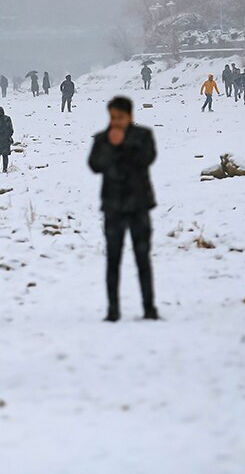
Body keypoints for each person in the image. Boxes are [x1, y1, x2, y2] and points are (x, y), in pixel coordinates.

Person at [88, 96, 158, 322]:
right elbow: (95, 165)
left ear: (129, 116)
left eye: (120, 117)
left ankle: (149, 307)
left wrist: (123, 144)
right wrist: (111, 145)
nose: (115, 121)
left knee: (142, 259)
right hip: (113, 207)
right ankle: (112, 308)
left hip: (138, 206)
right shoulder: (102, 139)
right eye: (112, 116)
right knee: (113, 260)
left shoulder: (143, 136)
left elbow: (147, 159)